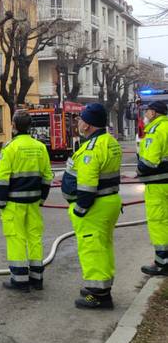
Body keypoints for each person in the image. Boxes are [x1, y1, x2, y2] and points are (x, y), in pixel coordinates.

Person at [61, 103, 122, 309]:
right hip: (109, 202)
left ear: (87, 125)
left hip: (94, 207)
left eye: (80, 119)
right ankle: (101, 287)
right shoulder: (110, 142)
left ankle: (98, 295)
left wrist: (80, 209)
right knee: (103, 246)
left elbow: (87, 185)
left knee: (92, 248)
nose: (78, 122)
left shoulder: (92, 149)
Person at [0, 110, 53, 292]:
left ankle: (19, 279)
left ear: (13, 125)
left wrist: (1, 202)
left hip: (14, 203)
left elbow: (2, 178)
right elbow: (47, 176)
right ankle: (37, 278)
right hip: (34, 202)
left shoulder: (10, 148)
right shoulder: (40, 147)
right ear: (30, 126)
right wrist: (42, 198)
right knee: (34, 237)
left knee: (16, 238)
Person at [136, 101, 168, 276]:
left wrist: (138, 171)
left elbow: (148, 162)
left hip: (158, 186)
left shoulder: (155, 132)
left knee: (159, 222)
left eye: (147, 111)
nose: (145, 115)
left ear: (154, 113)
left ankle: (162, 263)